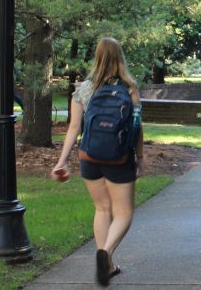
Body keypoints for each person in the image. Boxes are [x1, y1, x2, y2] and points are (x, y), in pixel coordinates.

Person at [51, 37, 144, 286]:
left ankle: (107, 263)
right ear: (120, 57)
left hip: (89, 157)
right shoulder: (130, 87)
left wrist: (62, 161)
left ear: (97, 57)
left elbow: (73, 128)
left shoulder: (84, 88)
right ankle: (106, 253)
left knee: (102, 209)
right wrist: (140, 157)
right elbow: (136, 127)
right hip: (119, 159)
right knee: (123, 213)